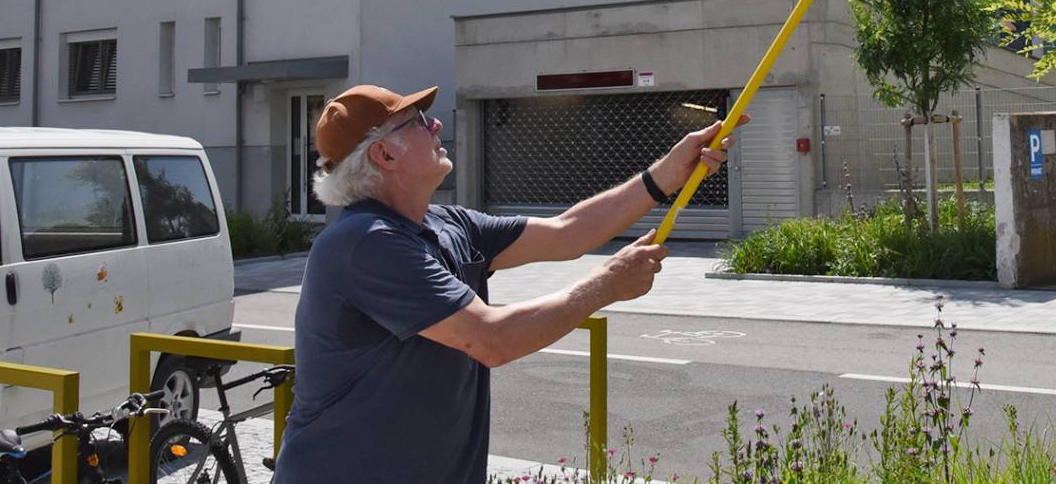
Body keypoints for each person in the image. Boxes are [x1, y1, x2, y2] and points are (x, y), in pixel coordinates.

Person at [270, 83, 740, 484]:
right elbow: (489, 339)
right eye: (417, 121)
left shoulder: (448, 224)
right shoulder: (364, 243)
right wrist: (607, 285)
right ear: (384, 153)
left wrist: (669, 174)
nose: (435, 126)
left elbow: (568, 233)